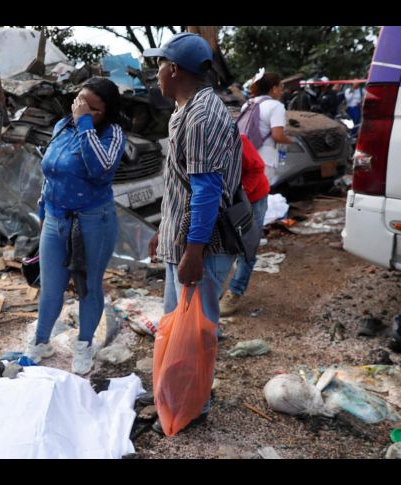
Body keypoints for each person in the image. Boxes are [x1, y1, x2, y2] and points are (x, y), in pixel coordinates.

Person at [142, 33, 242, 434]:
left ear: (173, 69)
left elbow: (206, 191)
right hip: (183, 239)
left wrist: (193, 251)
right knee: (180, 327)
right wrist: (162, 230)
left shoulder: (201, 116)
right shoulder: (188, 109)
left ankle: (191, 407)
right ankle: (180, 396)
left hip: (202, 244)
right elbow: (182, 185)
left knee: (194, 332)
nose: (156, 75)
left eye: (158, 67)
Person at [25, 77, 125, 376]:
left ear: (106, 112)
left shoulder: (113, 134)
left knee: (88, 285)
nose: (80, 110)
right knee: (51, 287)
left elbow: (101, 170)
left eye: (92, 108)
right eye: (79, 103)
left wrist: (85, 125)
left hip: (93, 221)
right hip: (56, 219)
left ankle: (84, 346)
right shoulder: (60, 127)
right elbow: (51, 172)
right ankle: (41, 342)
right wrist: (43, 208)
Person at [219, 134, 270, 316]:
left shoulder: (235, 140)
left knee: (247, 246)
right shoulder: (200, 144)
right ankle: (217, 289)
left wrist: (241, 196)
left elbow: (257, 168)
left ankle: (235, 291)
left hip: (253, 198)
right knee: (226, 244)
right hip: (228, 201)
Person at [243, 72, 294, 188]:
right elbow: (277, 135)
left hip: (247, 156)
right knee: (261, 194)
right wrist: (290, 141)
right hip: (265, 159)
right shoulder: (276, 106)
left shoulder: (247, 104)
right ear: (274, 89)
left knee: (249, 194)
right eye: (281, 86)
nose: (282, 90)